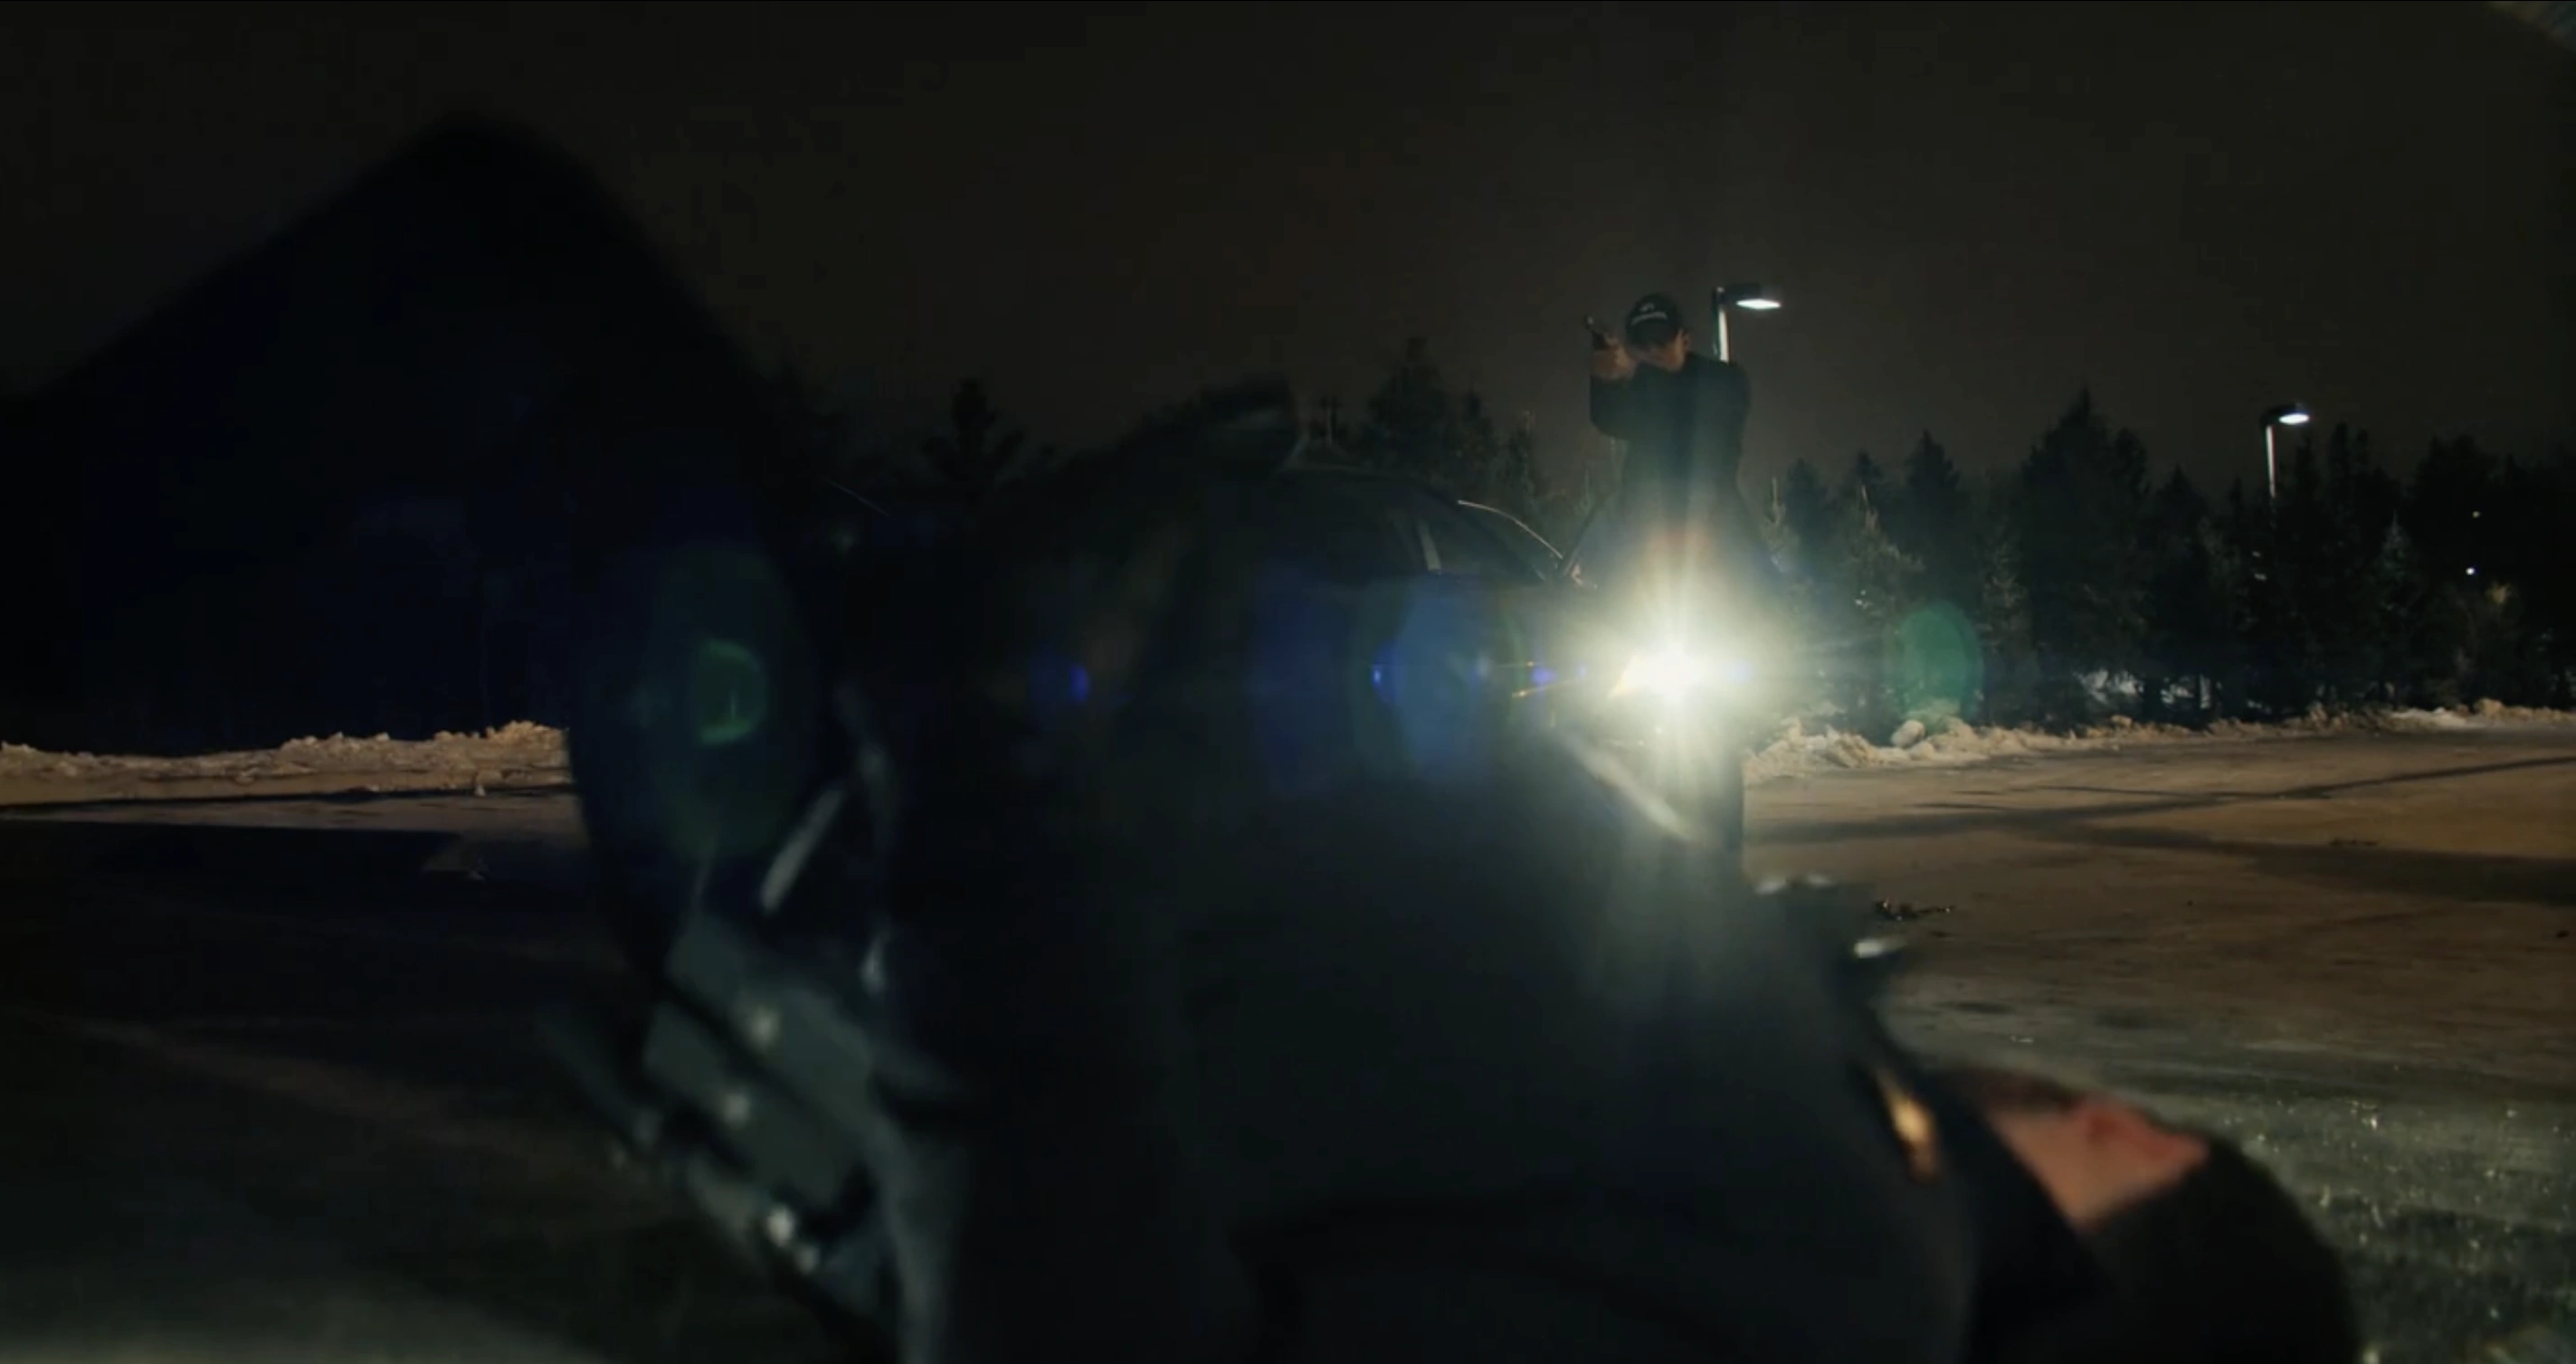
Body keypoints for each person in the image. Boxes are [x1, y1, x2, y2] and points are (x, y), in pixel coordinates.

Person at [563, 383, 2358, 1364]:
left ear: (2144, 1149)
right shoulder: (1850, 1203)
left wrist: (984, 786)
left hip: (885, 805)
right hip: (861, 856)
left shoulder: (1849, 1267)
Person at [1586, 292, 1771, 610]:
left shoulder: (1724, 381)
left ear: (1685, 340)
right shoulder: (1644, 393)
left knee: (1764, 611)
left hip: (1719, 545)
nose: (1652, 351)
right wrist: (1604, 378)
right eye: (1642, 344)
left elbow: (1689, 408)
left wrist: (1633, 371)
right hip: (1647, 553)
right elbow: (1609, 418)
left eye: (1661, 341)